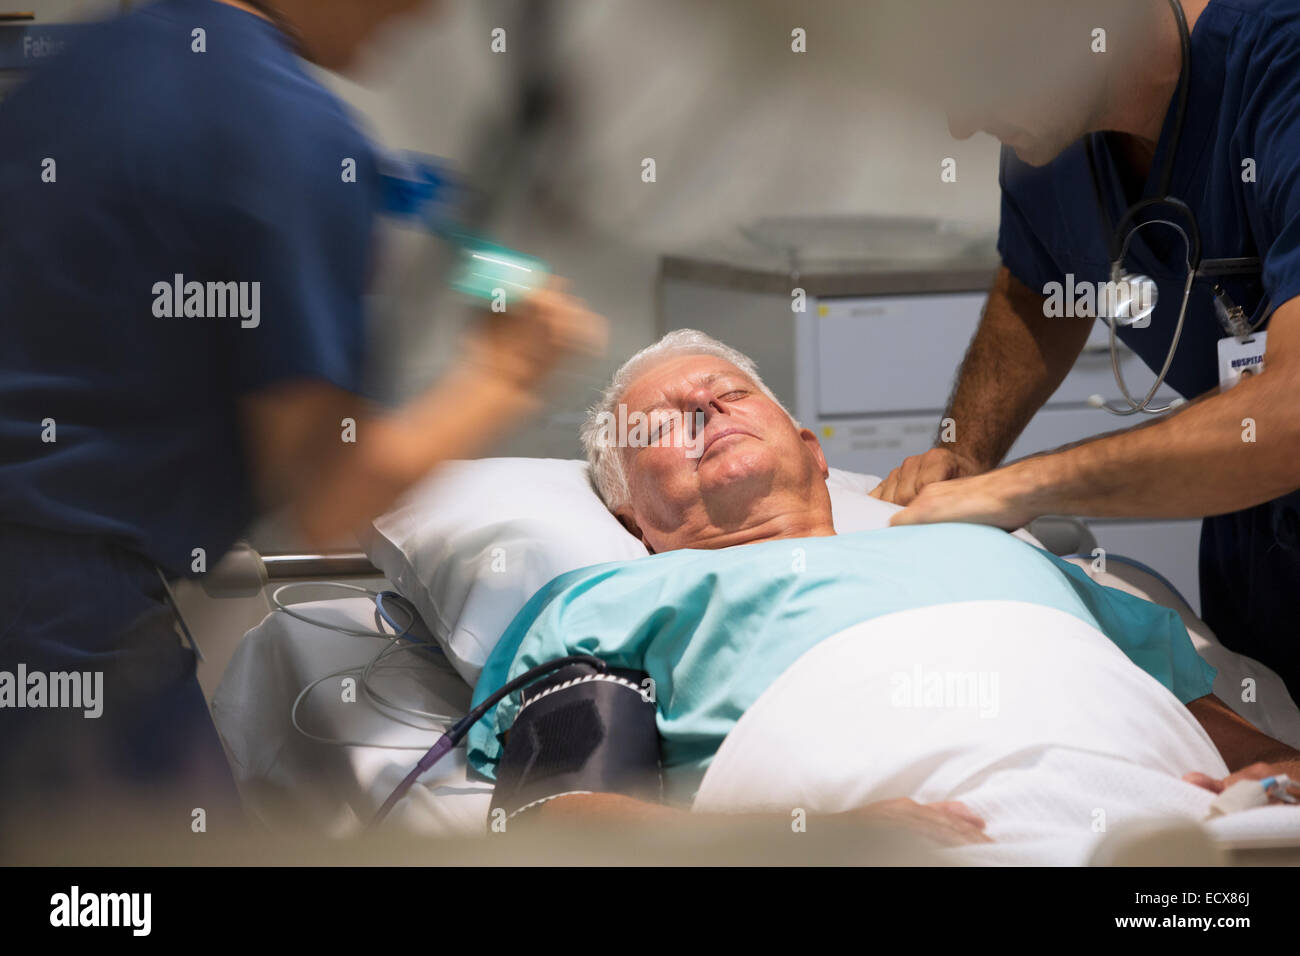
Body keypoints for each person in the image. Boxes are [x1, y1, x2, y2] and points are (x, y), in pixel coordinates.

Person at [0, 0, 605, 831]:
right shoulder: (292, 132)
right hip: (54, 608)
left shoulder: (106, 56)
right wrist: (506, 372)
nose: (423, 12)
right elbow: (334, 496)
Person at [466, 330, 1300, 842]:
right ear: (626, 509)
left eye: (729, 394)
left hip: (1175, 823)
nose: (707, 409)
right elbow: (560, 824)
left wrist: (1278, 782)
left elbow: (1237, 742)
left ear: (812, 451)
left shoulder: (999, 552)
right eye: (662, 424)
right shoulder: (607, 603)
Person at [870, 0, 1300, 701]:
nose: (961, 123)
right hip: (1258, 568)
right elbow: (1038, 284)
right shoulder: (1057, 145)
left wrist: (1019, 486)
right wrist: (969, 451)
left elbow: (1290, 414)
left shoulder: (1279, 66)